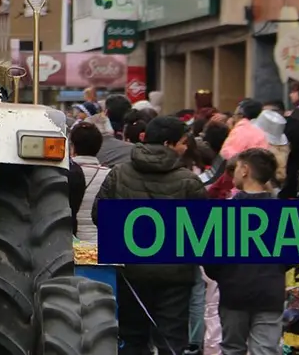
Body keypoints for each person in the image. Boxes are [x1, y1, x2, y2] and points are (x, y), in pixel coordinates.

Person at [93, 116, 207, 354]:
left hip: (130, 270)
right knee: (171, 340)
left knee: (132, 338)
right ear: (169, 143)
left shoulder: (119, 174)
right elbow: (203, 230)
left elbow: (99, 215)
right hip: (175, 275)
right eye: (183, 142)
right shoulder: (189, 181)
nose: (186, 147)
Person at [205, 148, 286, 355]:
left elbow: (211, 257)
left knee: (232, 349)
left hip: (234, 292)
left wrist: (225, 274)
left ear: (245, 170)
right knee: (266, 350)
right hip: (270, 292)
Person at [68, 121, 109, 241]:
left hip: (70, 242)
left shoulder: (62, 174)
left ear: (73, 147)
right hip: (100, 243)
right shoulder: (111, 175)